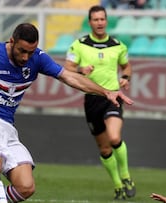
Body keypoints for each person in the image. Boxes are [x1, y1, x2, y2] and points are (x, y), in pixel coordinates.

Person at [0, 23, 133, 203]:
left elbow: (71, 78)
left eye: (30, 52)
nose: (25, 57)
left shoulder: (37, 59)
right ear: (11, 41)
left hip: (7, 127)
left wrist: (106, 91)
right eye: (22, 51)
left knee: (26, 187)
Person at [64, 5, 135, 200]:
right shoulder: (79, 45)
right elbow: (68, 69)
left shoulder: (118, 45)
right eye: (95, 20)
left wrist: (126, 77)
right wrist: (81, 70)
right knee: (104, 149)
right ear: (90, 22)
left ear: (106, 20)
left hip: (112, 97)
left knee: (114, 138)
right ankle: (118, 185)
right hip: (92, 100)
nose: (100, 23)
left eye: (102, 19)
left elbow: (126, 66)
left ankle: (127, 176)